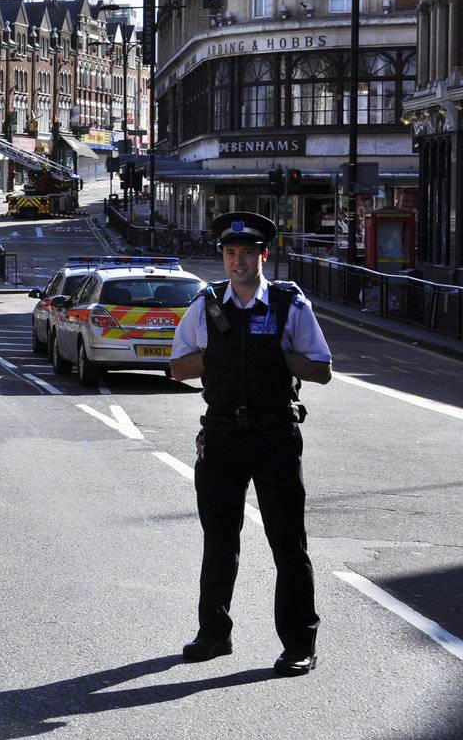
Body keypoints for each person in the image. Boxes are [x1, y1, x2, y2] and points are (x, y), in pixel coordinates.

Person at [169, 211, 333, 677]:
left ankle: (299, 644)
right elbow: (177, 368)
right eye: (228, 253)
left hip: (275, 434)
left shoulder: (288, 304)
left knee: (287, 543)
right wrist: (218, 356)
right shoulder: (205, 305)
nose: (235, 261)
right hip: (221, 435)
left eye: (245, 253)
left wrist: (274, 357)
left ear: (263, 256)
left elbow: (321, 369)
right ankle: (213, 634)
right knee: (219, 539)